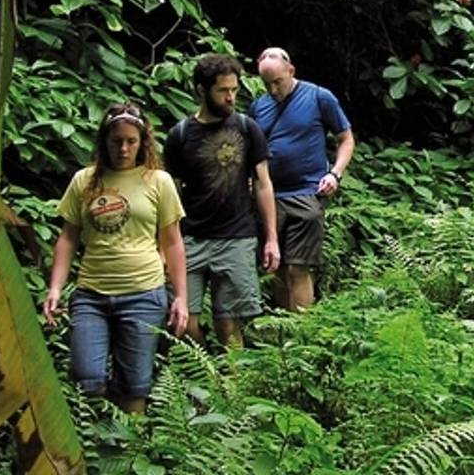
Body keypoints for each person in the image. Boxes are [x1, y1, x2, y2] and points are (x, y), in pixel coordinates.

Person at [43, 103, 188, 413]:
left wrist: (181, 298)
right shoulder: (85, 180)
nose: (123, 148)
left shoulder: (158, 181)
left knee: (135, 384)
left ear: (142, 142)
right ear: (104, 142)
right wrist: (55, 288)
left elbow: (173, 242)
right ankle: (94, 440)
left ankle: (127, 450)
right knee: (87, 378)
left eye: (131, 141)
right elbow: (68, 238)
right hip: (91, 293)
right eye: (116, 141)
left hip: (144, 292)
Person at [164, 54, 280, 347]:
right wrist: (164, 245)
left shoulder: (246, 128)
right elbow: (170, 194)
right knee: (185, 324)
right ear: (202, 90)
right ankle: (204, 377)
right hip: (191, 238)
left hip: (237, 236)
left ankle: (232, 385)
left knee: (229, 324)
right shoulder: (179, 135)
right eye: (222, 91)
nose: (231, 97)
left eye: (234, 90)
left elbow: (263, 184)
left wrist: (271, 238)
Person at [252, 47, 355, 311]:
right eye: (267, 84)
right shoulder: (259, 107)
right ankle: (282, 333)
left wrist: (335, 173)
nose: (273, 90)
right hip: (269, 197)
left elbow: (346, 139)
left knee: (298, 267)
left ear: (291, 71)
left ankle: (302, 334)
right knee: (277, 266)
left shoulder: (319, 97)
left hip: (306, 193)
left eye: (278, 82)